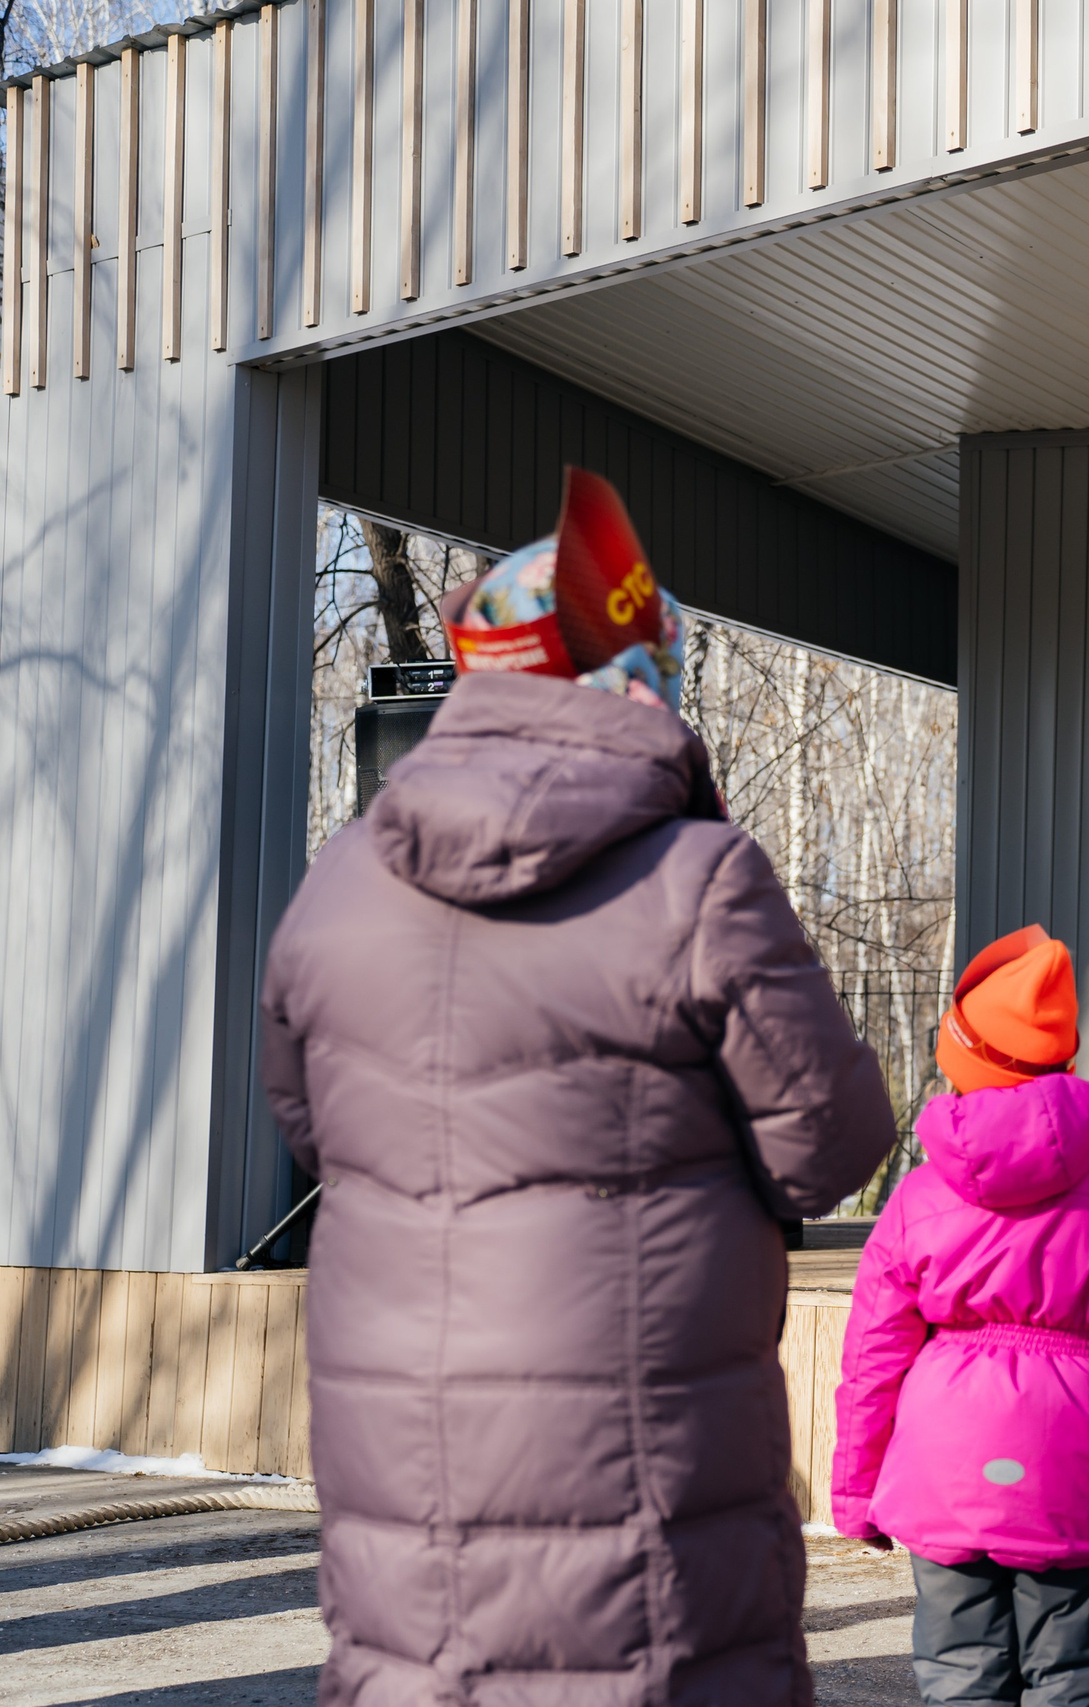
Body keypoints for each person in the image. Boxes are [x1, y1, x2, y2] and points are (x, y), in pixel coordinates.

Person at [261, 468, 899, 1706]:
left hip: (406, 1450)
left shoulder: (338, 886)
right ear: (635, 664)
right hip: (637, 1441)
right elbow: (832, 1141)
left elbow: (313, 1130)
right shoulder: (697, 875)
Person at [831, 924, 1089, 1707]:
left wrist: (856, 1483)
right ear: (1063, 1055)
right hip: (1070, 1452)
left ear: (961, 1060)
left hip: (944, 1460)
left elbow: (874, 1351)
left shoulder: (918, 1197)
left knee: (961, 1670)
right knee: (1073, 1672)